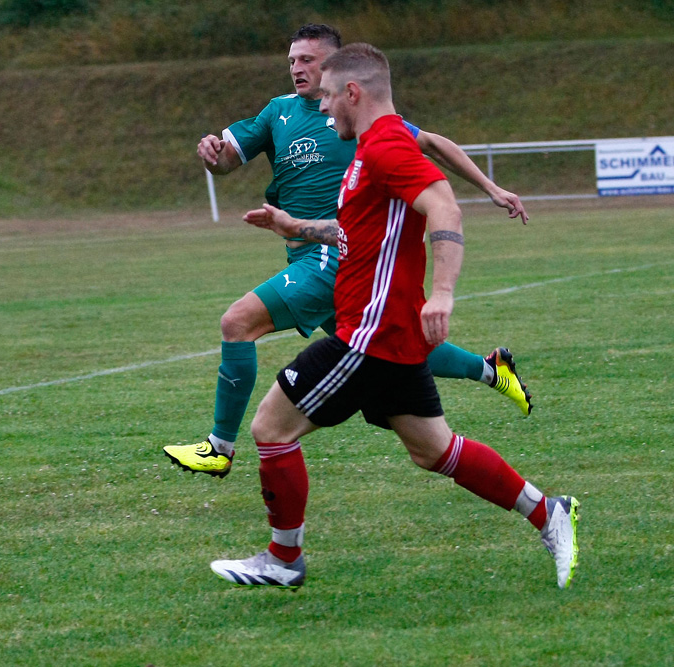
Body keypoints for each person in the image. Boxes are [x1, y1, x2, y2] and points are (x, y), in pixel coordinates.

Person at [209, 43, 579, 590]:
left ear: (353, 93)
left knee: (270, 428)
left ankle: (283, 559)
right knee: (436, 450)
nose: (325, 108)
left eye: (330, 97)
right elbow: (355, 230)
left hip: (366, 335)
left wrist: (444, 292)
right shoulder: (368, 148)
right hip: (391, 336)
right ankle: (550, 512)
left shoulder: (384, 146)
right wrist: (296, 228)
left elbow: (443, 205)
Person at [164, 24, 532, 480]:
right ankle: (492, 371)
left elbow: (433, 144)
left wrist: (491, 187)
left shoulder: (358, 116)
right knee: (390, 346)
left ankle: (218, 447)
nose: (297, 69)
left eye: (308, 60)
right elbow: (225, 162)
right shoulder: (277, 113)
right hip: (306, 256)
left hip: (335, 255)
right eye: (292, 61)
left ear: (336, 68)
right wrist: (211, 154)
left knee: (237, 323)